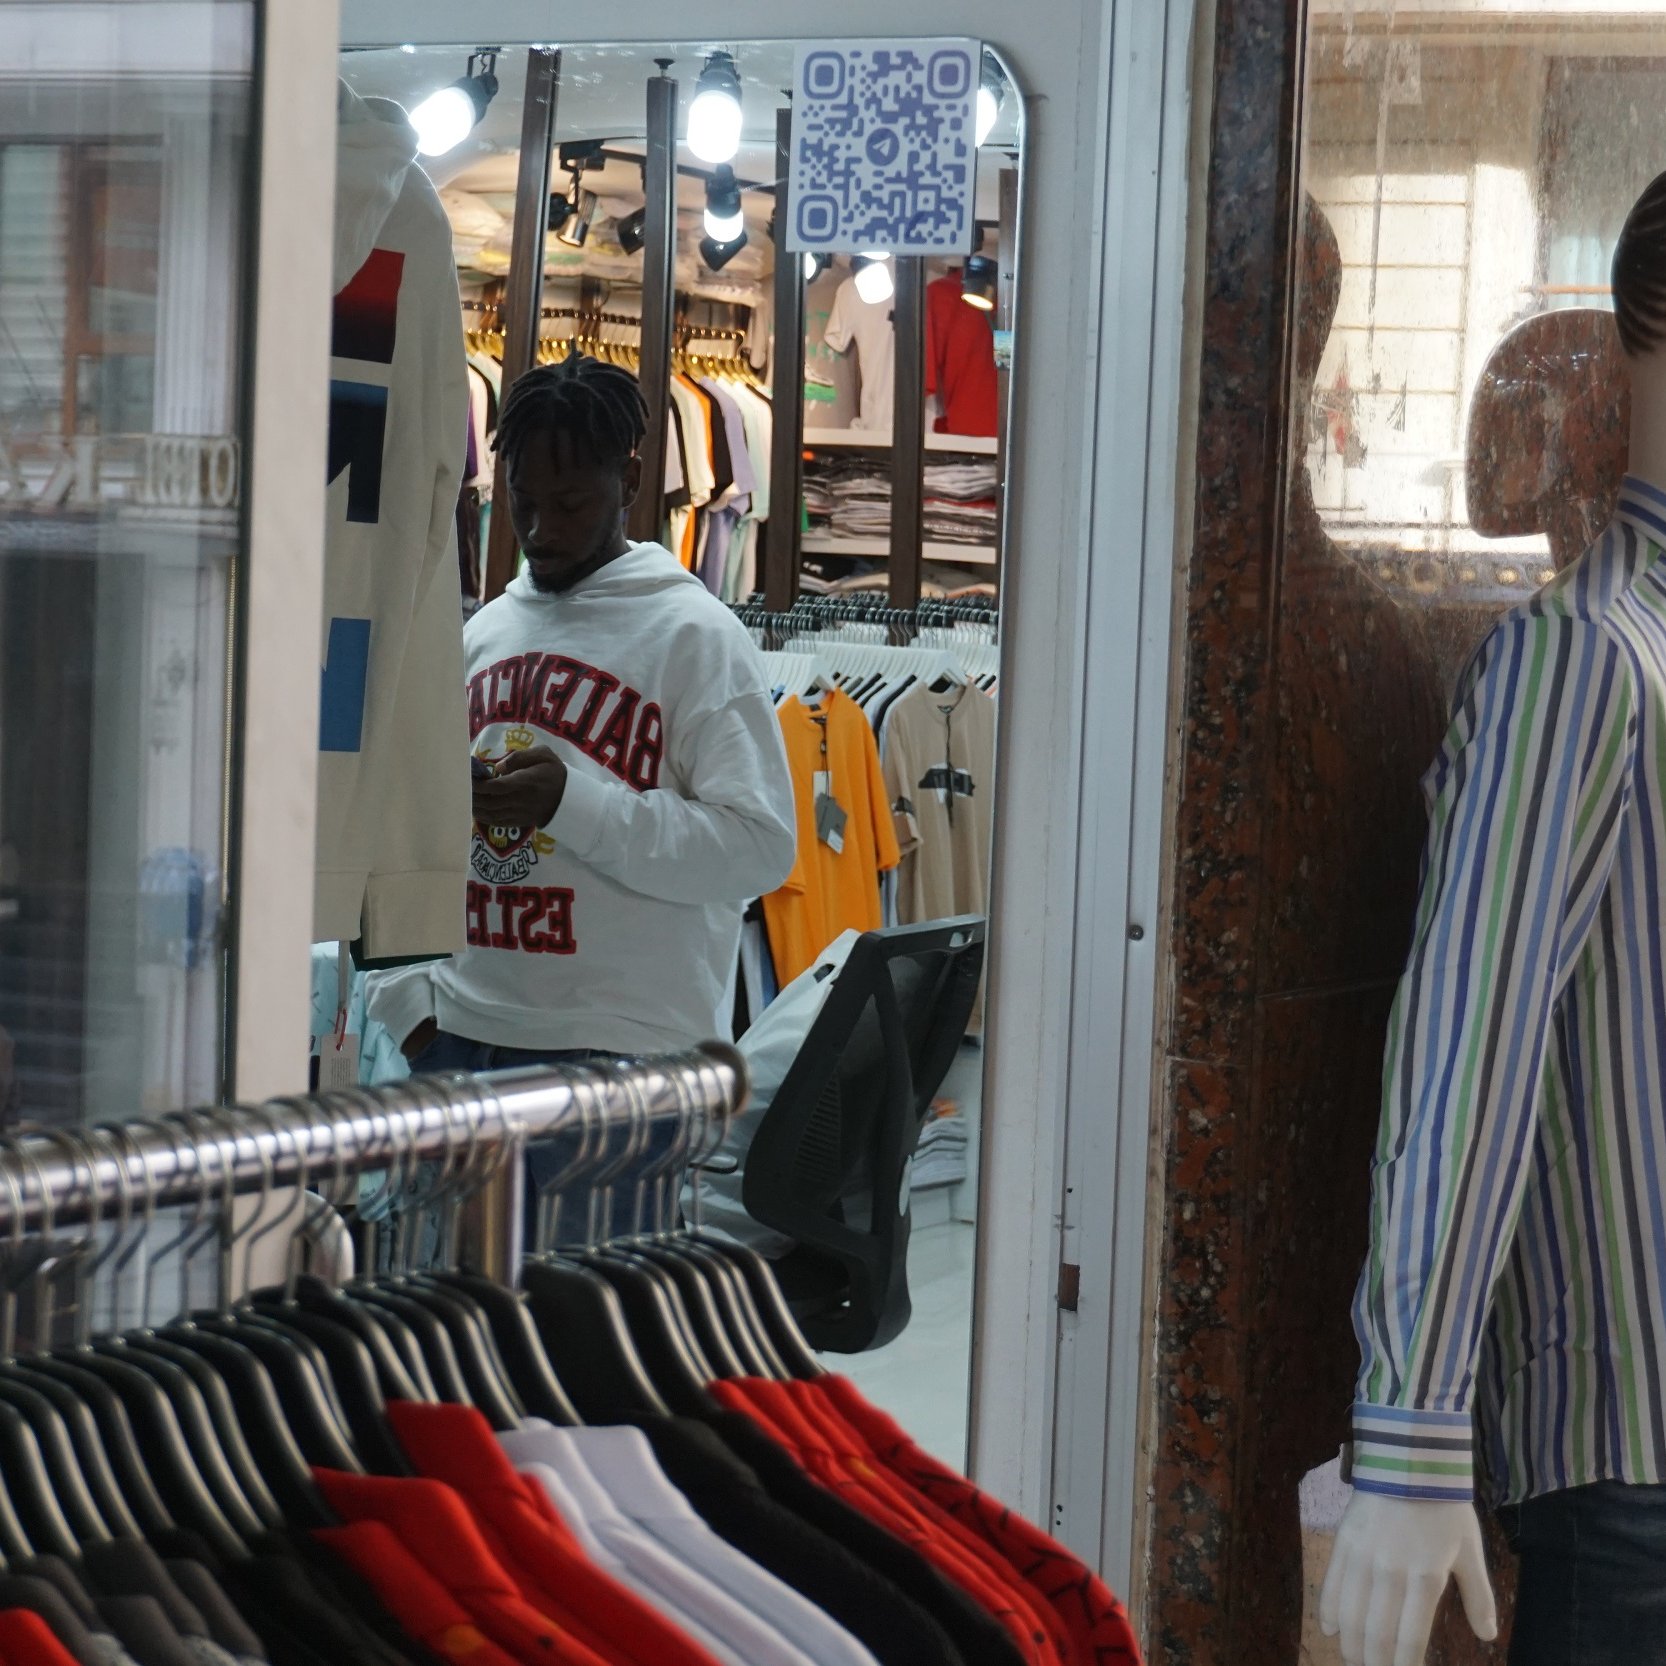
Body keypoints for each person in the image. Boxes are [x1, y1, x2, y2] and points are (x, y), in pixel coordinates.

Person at [365, 353, 796, 1173]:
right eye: (523, 502)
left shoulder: (695, 638)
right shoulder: (484, 633)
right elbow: (409, 828)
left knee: (587, 1306)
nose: (540, 530)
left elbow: (760, 847)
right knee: (458, 1303)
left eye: (570, 503)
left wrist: (575, 806)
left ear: (629, 480)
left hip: (624, 1063)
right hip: (461, 1045)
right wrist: (409, 1009)